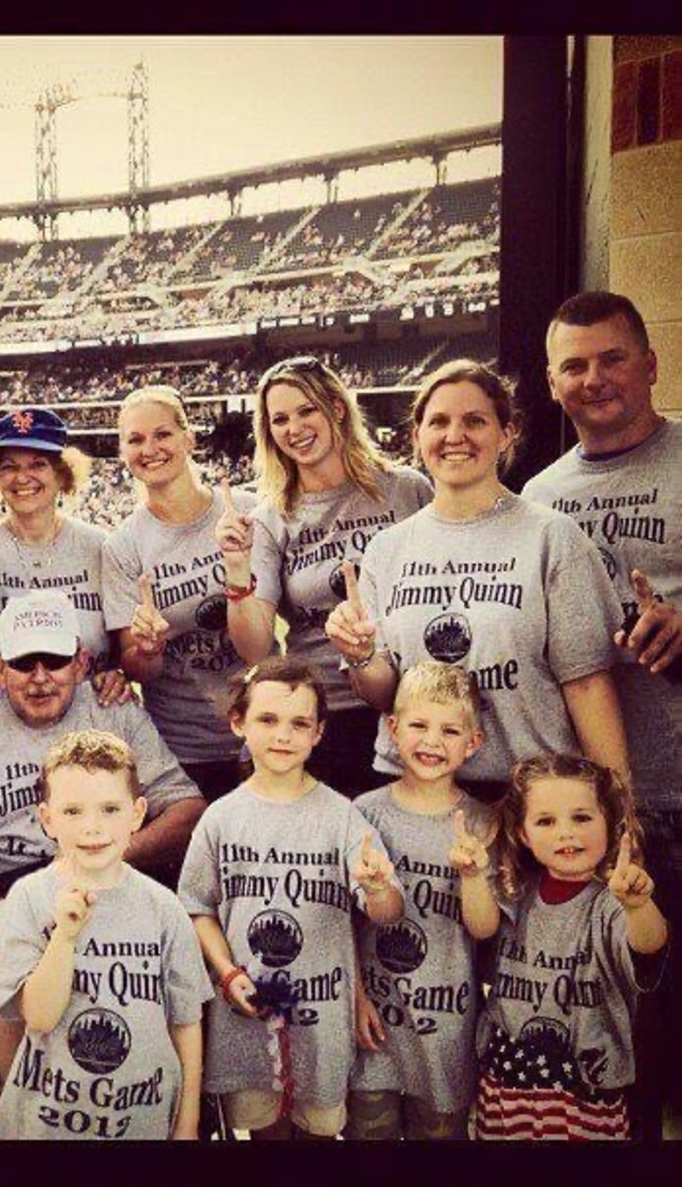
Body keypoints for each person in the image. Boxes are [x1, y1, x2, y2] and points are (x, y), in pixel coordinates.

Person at [0, 589, 206, 1081]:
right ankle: (27, 1094)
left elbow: (188, 809)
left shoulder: (115, 711)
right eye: (23, 663)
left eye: (54, 661)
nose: (40, 678)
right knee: (6, 936)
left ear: (81, 663)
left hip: (108, 870)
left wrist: (112, 853)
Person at [325, 359, 630, 802]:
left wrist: (619, 809)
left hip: (529, 796)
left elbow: (587, 685)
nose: (455, 436)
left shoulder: (551, 536)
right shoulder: (387, 549)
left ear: (507, 434)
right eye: (439, 422)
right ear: (416, 437)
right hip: (414, 793)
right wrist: (360, 655)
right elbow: (383, 694)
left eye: (474, 421)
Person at [522, 291, 680, 1131]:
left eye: (612, 358)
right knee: (633, 1034)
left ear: (651, 362)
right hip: (605, 811)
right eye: (574, 365)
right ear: (551, 383)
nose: (594, 379)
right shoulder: (539, 500)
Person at [177, 657, 404, 1140]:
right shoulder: (220, 819)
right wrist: (228, 971)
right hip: (249, 1011)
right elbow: (197, 906)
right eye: (267, 719)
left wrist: (380, 887)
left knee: (319, 1131)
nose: (283, 735)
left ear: (319, 732)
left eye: (299, 723)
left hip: (323, 1016)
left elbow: (384, 914)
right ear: (238, 723)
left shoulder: (342, 817)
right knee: (264, 1132)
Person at [218, 356, 431, 798]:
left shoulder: (406, 489)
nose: (294, 427)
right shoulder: (272, 518)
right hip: (324, 712)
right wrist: (237, 571)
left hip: (410, 705)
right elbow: (256, 647)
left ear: (336, 407)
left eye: (306, 410)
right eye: (279, 419)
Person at [0, 730, 210, 1140]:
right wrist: (64, 938)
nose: (93, 828)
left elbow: (186, 1020)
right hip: (49, 1120)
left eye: (110, 809)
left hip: (142, 1116)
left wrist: (188, 1120)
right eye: (73, 812)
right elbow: (37, 1016)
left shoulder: (164, 908)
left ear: (138, 813)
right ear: (47, 819)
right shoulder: (29, 899)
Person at [470, 754, 668, 1141]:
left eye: (582, 817)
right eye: (546, 821)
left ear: (610, 824)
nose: (566, 833)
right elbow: (480, 928)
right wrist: (472, 875)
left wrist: (639, 906)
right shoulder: (516, 895)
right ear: (524, 834)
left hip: (584, 1094)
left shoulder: (611, 904)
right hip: (508, 1084)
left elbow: (650, 947)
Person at [346, 661, 494, 1141]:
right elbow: (339, 923)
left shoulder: (484, 823)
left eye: (450, 730)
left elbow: (485, 929)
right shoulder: (363, 813)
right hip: (376, 1028)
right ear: (393, 730)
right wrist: (356, 996)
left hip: (445, 1032)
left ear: (473, 743)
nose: (432, 741)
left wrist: (473, 876)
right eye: (418, 726)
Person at [103, 385, 255, 801]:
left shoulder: (245, 511)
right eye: (135, 440)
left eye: (162, 434)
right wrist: (148, 650)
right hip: (181, 745)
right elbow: (136, 667)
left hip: (264, 726)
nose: (149, 448)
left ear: (189, 437)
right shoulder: (122, 546)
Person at [0, 406, 129, 707]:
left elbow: (126, 652)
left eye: (38, 464)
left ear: (62, 474)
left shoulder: (99, 547)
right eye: (9, 467)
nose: (23, 477)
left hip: (85, 722)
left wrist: (120, 673)